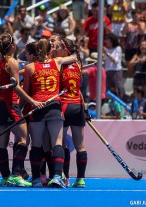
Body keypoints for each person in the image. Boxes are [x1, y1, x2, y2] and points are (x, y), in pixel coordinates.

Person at [0, 33, 44, 187]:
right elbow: (16, 87)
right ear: (12, 46)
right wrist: (31, 100)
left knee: (2, 142)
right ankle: (16, 175)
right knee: (23, 138)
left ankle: (6, 177)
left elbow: (9, 78)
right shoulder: (12, 61)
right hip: (9, 103)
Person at [23, 38, 77, 188]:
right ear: (50, 51)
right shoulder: (57, 61)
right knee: (57, 143)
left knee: (36, 144)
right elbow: (74, 57)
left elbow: (26, 91)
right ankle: (57, 177)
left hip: (37, 108)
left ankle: (36, 179)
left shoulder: (30, 67)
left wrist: (21, 109)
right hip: (54, 107)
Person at [50, 36, 88, 188]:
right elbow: (79, 90)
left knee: (62, 144)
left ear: (65, 49)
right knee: (80, 145)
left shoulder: (58, 63)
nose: (55, 49)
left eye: (58, 47)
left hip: (64, 105)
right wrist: (85, 109)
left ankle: (64, 177)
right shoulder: (78, 63)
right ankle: (80, 180)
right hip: (77, 105)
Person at [103, 33, 125, 99]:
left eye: (108, 40)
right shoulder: (105, 50)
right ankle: (108, 99)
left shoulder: (118, 48)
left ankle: (121, 98)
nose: (106, 42)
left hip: (116, 71)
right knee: (108, 86)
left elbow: (115, 61)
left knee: (118, 86)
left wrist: (107, 53)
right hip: (108, 71)